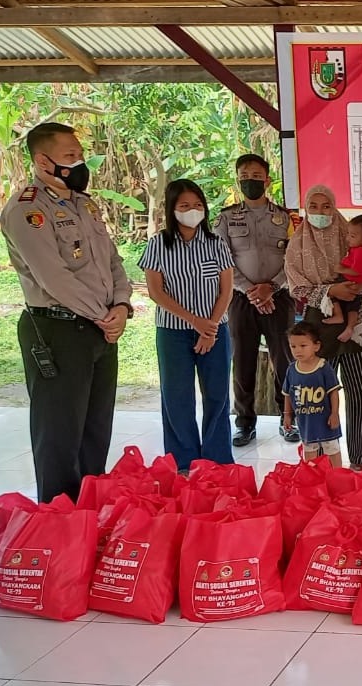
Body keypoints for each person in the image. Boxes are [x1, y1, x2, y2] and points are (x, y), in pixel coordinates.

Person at [1, 122, 133, 502]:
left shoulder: (84, 204)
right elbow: (53, 277)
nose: (79, 163)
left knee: (95, 429)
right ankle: (59, 519)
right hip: (57, 330)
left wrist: (121, 307)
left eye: (79, 155)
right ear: (43, 161)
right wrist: (102, 316)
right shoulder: (27, 209)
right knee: (59, 433)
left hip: (100, 329)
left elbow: (112, 261)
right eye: (70, 157)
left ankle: (90, 513)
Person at [139, 179, 235, 472]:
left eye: (197, 205)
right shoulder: (158, 244)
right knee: (177, 396)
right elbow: (156, 292)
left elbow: (227, 289)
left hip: (216, 331)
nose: (192, 210)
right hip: (173, 332)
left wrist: (211, 327)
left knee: (217, 395)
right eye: (184, 206)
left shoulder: (216, 243)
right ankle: (183, 460)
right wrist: (194, 321)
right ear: (172, 210)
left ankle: (217, 459)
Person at [286, 185, 362, 470]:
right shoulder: (296, 245)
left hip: (354, 323)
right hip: (316, 328)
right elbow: (296, 287)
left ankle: (361, 459)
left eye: (327, 206)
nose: (320, 212)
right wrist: (330, 291)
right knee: (317, 394)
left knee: (359, 392)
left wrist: (353, 288)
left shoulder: (351, 237)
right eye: (313, 206)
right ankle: (322, 459)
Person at [214, 153, 299, 447]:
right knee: (243, 362)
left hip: (280, 297)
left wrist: (271, 287)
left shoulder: (287, 218)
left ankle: (289, 420)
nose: (250, 180)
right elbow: (221, 258)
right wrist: (251, 290)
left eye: (256, 175)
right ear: (238, 180)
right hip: (240, 299)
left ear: (267, 180)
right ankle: (244, 423)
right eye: (245, 176)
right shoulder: (226, 217)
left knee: (285, 360)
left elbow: (294, 258)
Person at [282, 322, 342, 467]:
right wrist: (287, 415)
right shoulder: (291, 370)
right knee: (309, 451)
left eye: (303, 346)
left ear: (316, 346)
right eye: (293, 346)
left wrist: (334, 414)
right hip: (305, 422)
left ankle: (338, 476)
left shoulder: (324, 368)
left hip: (325, 421)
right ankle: (313, 479)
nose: (297, 350)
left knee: (332, 449)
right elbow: (288, 394)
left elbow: (333, 392)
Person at [323, 214, 362, 343]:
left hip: (352, 281)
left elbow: (358, 270)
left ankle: (340, 317)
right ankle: (348, 325)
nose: (347, 239)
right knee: (353, 307)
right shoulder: (359, 248)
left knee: (332, 292)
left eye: (352, 236)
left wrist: (341, 269)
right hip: (352, 281)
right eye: (348, 234)